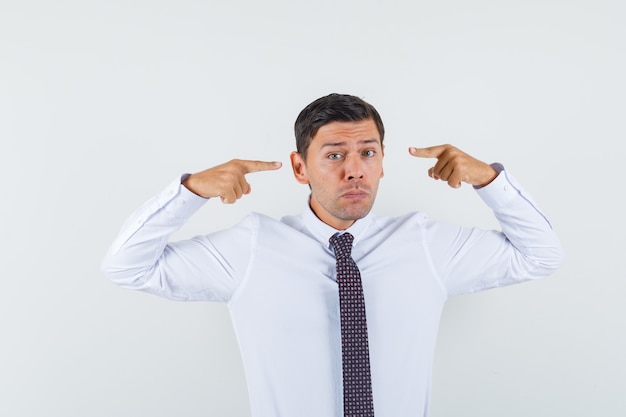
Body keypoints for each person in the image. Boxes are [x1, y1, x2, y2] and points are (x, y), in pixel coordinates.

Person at [101, 93, 563, 417]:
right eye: (335, 155)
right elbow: (126, 265)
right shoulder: (252, 248)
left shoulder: (424, 244)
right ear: (300, 167)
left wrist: (491, 181)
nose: (355, 170)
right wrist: (189, 192)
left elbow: (540, 255)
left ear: (383, 162)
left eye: (368, 152)